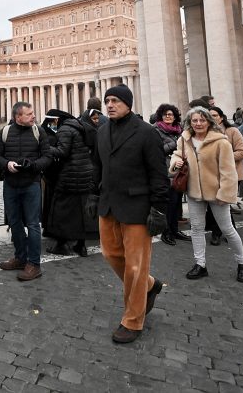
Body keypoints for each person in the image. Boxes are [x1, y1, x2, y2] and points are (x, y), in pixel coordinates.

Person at [91, 85, 168, 344]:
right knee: (111, 254)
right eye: (107, 101)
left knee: (135, 266)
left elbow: (158, 174)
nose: (110, 105)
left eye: (115, 101)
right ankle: (150, 285)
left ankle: (132, 320)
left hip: (137, 206)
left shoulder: (147, 133)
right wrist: (94, 194)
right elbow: (97, 167)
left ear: (128, 103)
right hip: (109, 204)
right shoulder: (101, 131)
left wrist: (158, 209)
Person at [172, 106, 243, 284]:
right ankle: (200, 264)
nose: (198, 124)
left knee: (227, 229)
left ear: (209, 121)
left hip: (217, 193)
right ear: (189, 122)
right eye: (194, 120)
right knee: (196, 229)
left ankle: (242, 263)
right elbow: (177, 154)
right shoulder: (185, 139)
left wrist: (225, 193)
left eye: (202, 120)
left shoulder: (221, 142)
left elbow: (229, 171)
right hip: (193, 191)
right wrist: (175, 161)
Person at [0, 101, 53, 282]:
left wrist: (33, 166)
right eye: (29, 114)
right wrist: (7, 164)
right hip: (11, 185)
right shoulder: (5, 132)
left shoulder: (38, 131)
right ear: (18, 117)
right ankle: (20, 257)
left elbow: (48, 157)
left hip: (31, 184)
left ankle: (34, 264)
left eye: (33, 113)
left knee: (33, 224)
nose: (33, 116)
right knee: (15, 222)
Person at [45, 109, 98, 257]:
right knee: (80, 211)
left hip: (70, 175)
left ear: (58, 120)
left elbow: (62, 151)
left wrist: (45, 148)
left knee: (61, 209)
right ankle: (81, 246)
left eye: (53, 121)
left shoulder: (65, 129)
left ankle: (61, 244)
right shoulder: (81, 126)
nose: (52, 124)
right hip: (85, 173)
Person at [205, 106, 243, 244]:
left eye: (215, 115)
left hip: (229, 174)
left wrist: (223, 156)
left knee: (222, 203)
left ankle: (220, 232)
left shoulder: (233, 131)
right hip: (210, 174)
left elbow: (242, 152)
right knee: (215, 204)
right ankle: (224, 231)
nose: (212, 118)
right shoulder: (204, 133)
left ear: (221, 117)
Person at [152, 104, 188, 246]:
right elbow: (156, 150)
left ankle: (175, 229)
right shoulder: (155, 130)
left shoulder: (180, 130)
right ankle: (166, 232)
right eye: (166, 114)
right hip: (165, 170)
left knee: (176, 202)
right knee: (168, 203)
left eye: (171, 114)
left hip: (180, 170)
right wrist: (174, 145)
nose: (168, 117)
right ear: (161, 115)